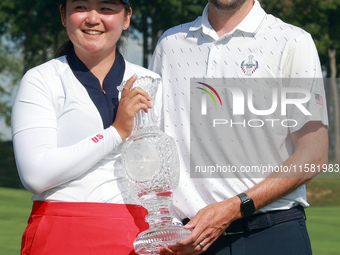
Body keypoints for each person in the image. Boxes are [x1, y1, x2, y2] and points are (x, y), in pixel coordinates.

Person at [149, 0, 329, 254]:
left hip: (270, 235)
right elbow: (153, 144)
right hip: (189, 242)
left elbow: (314, 154)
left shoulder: (292, 42)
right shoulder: (169, 44)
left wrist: (235, 207)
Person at [11, 0, 161, 254]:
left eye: (106, 8)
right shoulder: (41, 79)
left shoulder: (152, 82)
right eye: (81, 7)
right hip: (60, 233)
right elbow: (35, 175)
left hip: (139, 236)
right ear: (63, 14)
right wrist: (116, 132)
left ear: (126, 18)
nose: (93, 19)